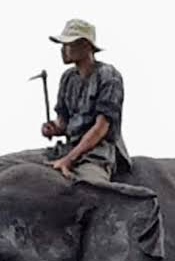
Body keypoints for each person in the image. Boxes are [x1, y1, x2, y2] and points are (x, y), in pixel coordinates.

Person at [41, 19, 131, 183]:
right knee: (4, 164)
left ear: (85, 46)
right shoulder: (68, 78)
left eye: (68, 44)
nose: (62, 49)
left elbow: (101, 128)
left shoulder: (109, 76)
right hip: (69, 148)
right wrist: (53, 128)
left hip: (97, 154)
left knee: (91, 187)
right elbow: (63, 122)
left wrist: (68, 160)